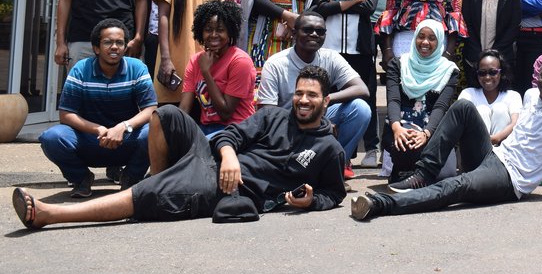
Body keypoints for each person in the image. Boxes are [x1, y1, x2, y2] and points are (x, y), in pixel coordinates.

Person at [13, 68, 347, 230]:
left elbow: (333, 192)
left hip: (226, 189)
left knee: (151, 191)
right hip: (213, 159)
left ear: (326, 101)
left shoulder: (329, 149)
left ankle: (48, 214)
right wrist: (228, 154)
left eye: (312, 95)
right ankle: (162, 183)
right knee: (167, 113)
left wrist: (310, 201)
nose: (303, 100)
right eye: (299, 93)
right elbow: (230, 135)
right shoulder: (274, 115)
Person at [349, 57, 542, 221]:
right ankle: (423, 174)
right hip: (494, 155)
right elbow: (524, 133)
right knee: (464, 107)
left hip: (511, 179)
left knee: (455, 186)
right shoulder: (529, 95)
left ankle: (381, 205)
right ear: (538, 76)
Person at [38, 19, 157, 197]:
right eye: (108, 42)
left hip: (125, 140)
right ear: (96, 48)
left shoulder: (137, 68)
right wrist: (98, 129)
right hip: (91, 141)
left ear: (125, 47)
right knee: (52, 137)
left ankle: (131, 177)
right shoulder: (80, 70)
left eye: (119, 42)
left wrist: (122, 127)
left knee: (155, 131)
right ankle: (81, 178)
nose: (114, 47)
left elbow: (150, 109)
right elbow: (66, 114)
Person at [258, 12, 371, 174]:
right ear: (295, 34)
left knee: (360, 109)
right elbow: (266, 113)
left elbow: (361, 89)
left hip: (318, 114)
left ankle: (336, 166)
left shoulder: (330, 57)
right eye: (308, 30)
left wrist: (325, 101)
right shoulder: (275, 64)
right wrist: (314, 124)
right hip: (285, 125)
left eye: (320, 31)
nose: (314, 34)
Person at [311, 0, 382, 168]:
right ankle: (333, 151)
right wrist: (355, 0)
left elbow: (370, 7)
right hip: (329, 46)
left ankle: (371, 148)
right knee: (329, 96)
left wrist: (336, 2)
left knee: (365, 95)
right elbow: (321, 6)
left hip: (360, 47)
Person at [381, 20, 460, 183]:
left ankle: (415, 173)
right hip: (401, 126)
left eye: (432, 38)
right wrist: (397, 128)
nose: (425, 42)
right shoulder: (398, 64)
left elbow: (441, 106)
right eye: (421, 36)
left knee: (447, 174)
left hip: (432, 128)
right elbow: (393, 99)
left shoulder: (449, 70)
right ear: (415, 37)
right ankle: (402, 172)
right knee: (407, 140)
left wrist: (426, 133)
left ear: (439, 42)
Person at [178, 0, 256, 136]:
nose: (213, 35)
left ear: (230, 32)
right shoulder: (195, 61)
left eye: (220, 30)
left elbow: (225, 113)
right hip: (206, 128)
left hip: (236, 129)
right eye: (208, 29)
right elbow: (184, 108)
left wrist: (206, 72)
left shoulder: (240, 61)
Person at [462, 0, 521, 82]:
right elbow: (466, 21)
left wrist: (493, 55)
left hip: (502, 56)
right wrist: (479, 53)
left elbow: (514, 25)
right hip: (473, 54)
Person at [457, 50, 521, 145]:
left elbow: (515, 123)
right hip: (474, 148)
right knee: (482, 110)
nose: (487, 77)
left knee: (500, 109)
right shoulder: (468, 94)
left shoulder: (513, 96)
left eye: (493, 72)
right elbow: (460, 125)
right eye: (482, 73)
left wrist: (496, 138)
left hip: (503, 149)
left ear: (501, 73)